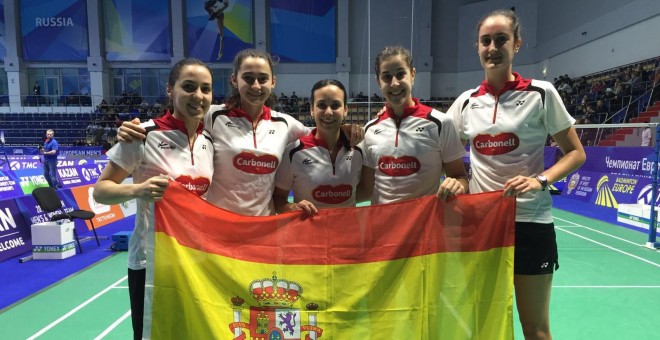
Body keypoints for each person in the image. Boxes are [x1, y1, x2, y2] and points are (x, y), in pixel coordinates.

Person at [446, 10, 586, 339]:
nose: (492, 47)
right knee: (482, 321)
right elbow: (438, 146)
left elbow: (577, 153)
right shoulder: (466, 103)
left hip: (530, 223)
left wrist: (541, 180)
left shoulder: (541, 93)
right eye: (485, 41)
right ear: (477, 47)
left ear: (517, 44)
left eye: (501, 40)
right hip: (482, 226)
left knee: (535, 328)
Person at [117, 49, 364, 217]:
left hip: (263, 227)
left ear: (273, 82)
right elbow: (177, 117)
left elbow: (322, 128)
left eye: (262, 79)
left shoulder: (285, 124)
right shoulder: (212, 115)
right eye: (248, 78)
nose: (256, 86)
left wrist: (346, 128)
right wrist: (133, 127)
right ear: (235, 80)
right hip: (219, 227)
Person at [93, 58, 215, 340]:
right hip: (150, 262)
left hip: (195, 260)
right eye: (189, 87)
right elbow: (101, 190)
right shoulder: (142, 134)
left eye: (205, 89)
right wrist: (139, 190)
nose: (198, 96)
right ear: (170, 89)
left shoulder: (209, 140)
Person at [361, 46, 468, 205]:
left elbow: (460, 177)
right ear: (378, 81)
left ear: (412, 74)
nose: (394, 83)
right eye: (386, 77)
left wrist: (457, 185)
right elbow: (366, 189)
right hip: (382, 227)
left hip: (423, 226)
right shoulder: (369, 130)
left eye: (400, 74)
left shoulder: (440, 123)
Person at [273, 79, 366, 215]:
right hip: (308, 235)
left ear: (345, 110)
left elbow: (367, 190)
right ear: (312, 109)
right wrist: (292, 207)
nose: (328, 112)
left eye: (335, 105)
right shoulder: (294, 152)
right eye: (321, 105)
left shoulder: (359, 149)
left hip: (348, 233)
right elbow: (278, 199)